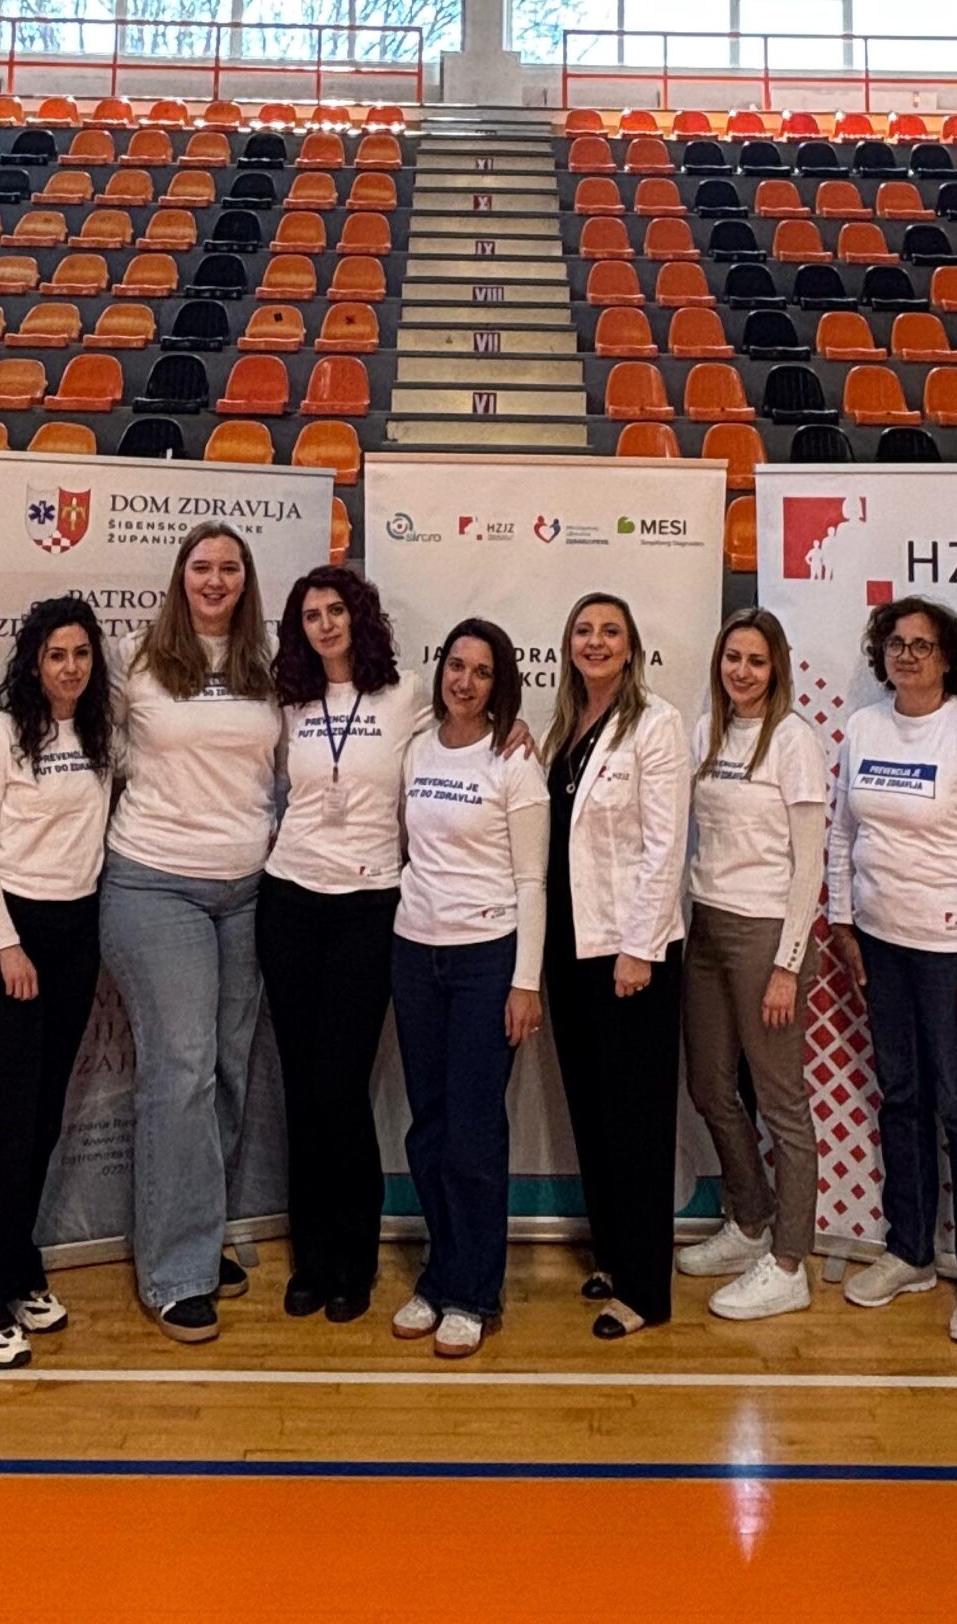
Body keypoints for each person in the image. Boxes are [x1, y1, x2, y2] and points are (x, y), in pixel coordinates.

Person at [97, 524, 282, 1344]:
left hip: (249, 890)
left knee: (229, 1070)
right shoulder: (134, 657)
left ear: (246, 581)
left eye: (229, 568)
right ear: (180, 577)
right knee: (181, 1069)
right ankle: (174, 1272)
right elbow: (85, 742)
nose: (214, 580)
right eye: (201, 567)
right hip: (154, 882)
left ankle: (200, 1234)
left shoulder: (269, 661)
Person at [825, 595, 957, 1346]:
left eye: (922, 646)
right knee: (901, 1098)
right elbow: (843, 832)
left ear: (948, 659)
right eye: (896, 644)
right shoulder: (865, 727)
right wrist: (843, 920)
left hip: (948, 955)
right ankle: (909, 1252)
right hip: (880, 945)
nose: (907, 656)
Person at [0, 597, 116, 1368]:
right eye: (55, 655)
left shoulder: (102, 732)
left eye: (80, 654)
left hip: (77, 933)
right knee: (10, 1123)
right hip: (14, 936)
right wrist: (6, 945)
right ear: (33, 662)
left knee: (44, 1118)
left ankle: (15, 1267)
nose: (69, 668)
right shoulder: (2, 735)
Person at [258, 565, 427, 1323]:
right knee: (300, 1087)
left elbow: (471, 729)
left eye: (335, 610)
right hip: (290, 899)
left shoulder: (405, 694)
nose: (325, 624)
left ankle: (353, 1259)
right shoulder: (288, 701)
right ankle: (312, 1258)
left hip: (369, 904)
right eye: (310, 615)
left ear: (359, 616)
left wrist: (514, 728)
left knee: (340, 1085)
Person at [390, 617, 549, 1360]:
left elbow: (532, 880)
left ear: (499, 684)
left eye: (482, 672)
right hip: (415, 954)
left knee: (474, 1133)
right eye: (457, 666)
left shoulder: (513, 761)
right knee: (428, 1127)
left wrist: (525, 981)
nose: (465, 681)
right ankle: (439, 1274)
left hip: (488, 961)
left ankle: (474, 1293)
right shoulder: (417, 746)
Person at [542, 591, 690, 1339]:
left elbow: (666, 847)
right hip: (570, 947)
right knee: (593, 1111)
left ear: (631, 648)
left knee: (636, 1120)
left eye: (610, 631)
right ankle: (612, 1251)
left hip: (631, 954)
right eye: (583, 630)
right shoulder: (565, 727)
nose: (595, 642)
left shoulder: (656, 725)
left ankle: (645, 1289)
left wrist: (639, 947)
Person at [676, 608, 828, 1324]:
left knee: (781, 1101)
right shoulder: (705, 730)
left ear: (777, 669)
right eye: (732, 657)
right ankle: (750, 1219)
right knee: (709, 1086)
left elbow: (810, 862)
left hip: (766, 933)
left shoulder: (794, 740)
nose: (742, 671)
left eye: (756, 661)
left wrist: (788, 965)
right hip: (706, 924)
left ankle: (790, 1261)